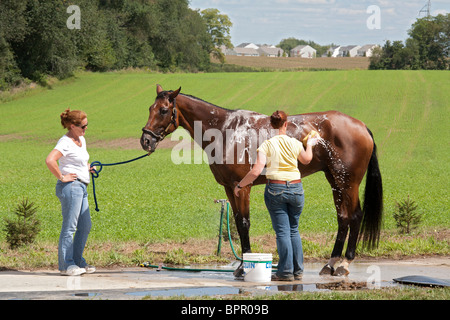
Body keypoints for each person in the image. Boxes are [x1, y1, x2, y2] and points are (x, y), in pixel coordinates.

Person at [234, 110, 319, 281]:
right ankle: (297, 271)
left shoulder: (267, 145)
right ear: (286, 124)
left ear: (271, 126)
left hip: (276, 189)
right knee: (293, 230)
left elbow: (256, 170)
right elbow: (307, 159)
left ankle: (285, 272)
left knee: (282, 232)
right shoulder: (295, 143)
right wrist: (310, 144)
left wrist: (240, 185)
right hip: (296, 188)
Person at [46, 109, 96, 276]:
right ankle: (66, 265)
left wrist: (88, 168)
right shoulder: (65, 142)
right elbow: (50, 160)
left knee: (85, 226)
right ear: (72, 126)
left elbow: (80, 160)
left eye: (87, 125)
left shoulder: (81, 139)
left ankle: (77, 260)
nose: (86, 128)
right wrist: (61, 176)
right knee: (70, 227)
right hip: (71, 187)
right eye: (83, 126)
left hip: (82, 186)